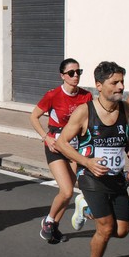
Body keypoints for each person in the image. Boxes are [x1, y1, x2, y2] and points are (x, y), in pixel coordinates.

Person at [56, 61, 129, 257]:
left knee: (122, 230)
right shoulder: (85, 111)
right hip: (91, 176)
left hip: (116, 177)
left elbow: (123, 135)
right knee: (105, 227)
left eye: (122, 81)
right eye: (114, 82)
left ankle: (85, 208)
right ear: (98, 85)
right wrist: (86, 163)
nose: (120, 86)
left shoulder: (124, 109)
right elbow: (62, 143)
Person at [30, 58, 92, 243]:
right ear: (62, 76)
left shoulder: (86, 96)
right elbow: (34, 116)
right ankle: (48, 221)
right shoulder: (53, 95)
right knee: (65, 191)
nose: (75, 76)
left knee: (70, 190)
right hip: (56, 145)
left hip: (75, 146)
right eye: (71, 73)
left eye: (78, 72)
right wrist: (45, 137)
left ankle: (54, 227)